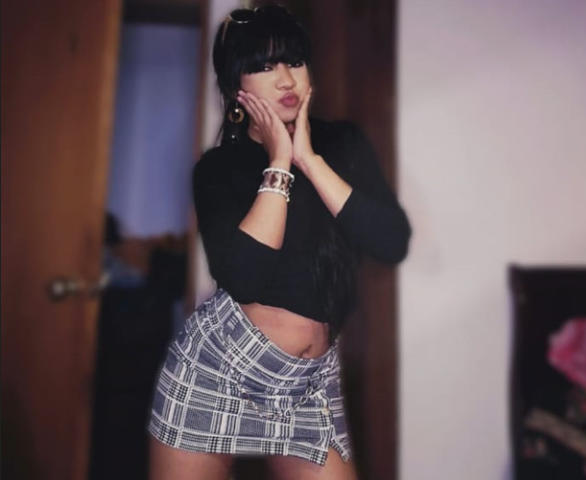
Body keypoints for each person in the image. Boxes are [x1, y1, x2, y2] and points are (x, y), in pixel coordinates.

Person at [147, 5, 411, 480]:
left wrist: (308, 159)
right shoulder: (218, 169)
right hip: (217, 370)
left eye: (295, 61)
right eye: (265, 66)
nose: (286, 79)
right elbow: (245, 277)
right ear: (236, 86)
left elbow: (391, 242)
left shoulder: (344, 144)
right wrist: (279, 163)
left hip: (308, 384)